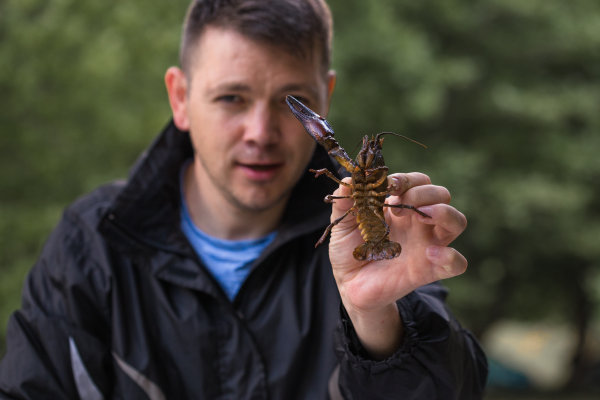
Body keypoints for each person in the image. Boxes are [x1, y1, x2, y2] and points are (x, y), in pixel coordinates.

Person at [0, 0, 487, 398]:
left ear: (325, 100)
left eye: (290, 102)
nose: (261, 133)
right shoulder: (90, 244)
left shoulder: (376, 232)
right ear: (180, 99)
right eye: (232, 98)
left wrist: (376, 317)